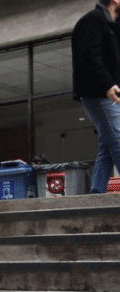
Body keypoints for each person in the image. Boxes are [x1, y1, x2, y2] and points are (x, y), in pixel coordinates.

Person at [73, 0, 120, 193]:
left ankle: (96, 193)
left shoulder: (114, 25)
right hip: (99, 94)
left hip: (110, 94)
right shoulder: (93, 20)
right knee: (118, 141)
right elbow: (89, 57)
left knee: (107, 148)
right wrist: (107, 85)